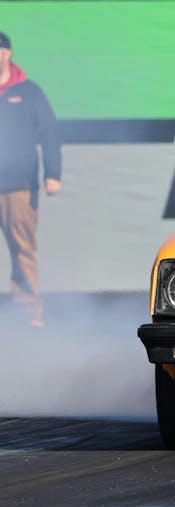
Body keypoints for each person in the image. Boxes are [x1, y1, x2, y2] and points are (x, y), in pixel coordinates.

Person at [0, 31, 61, 327]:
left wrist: (53, 175)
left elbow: (50, 134)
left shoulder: (29, 92)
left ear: (7, 54)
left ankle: (29, 314)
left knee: (22, 249)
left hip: (18, 186)